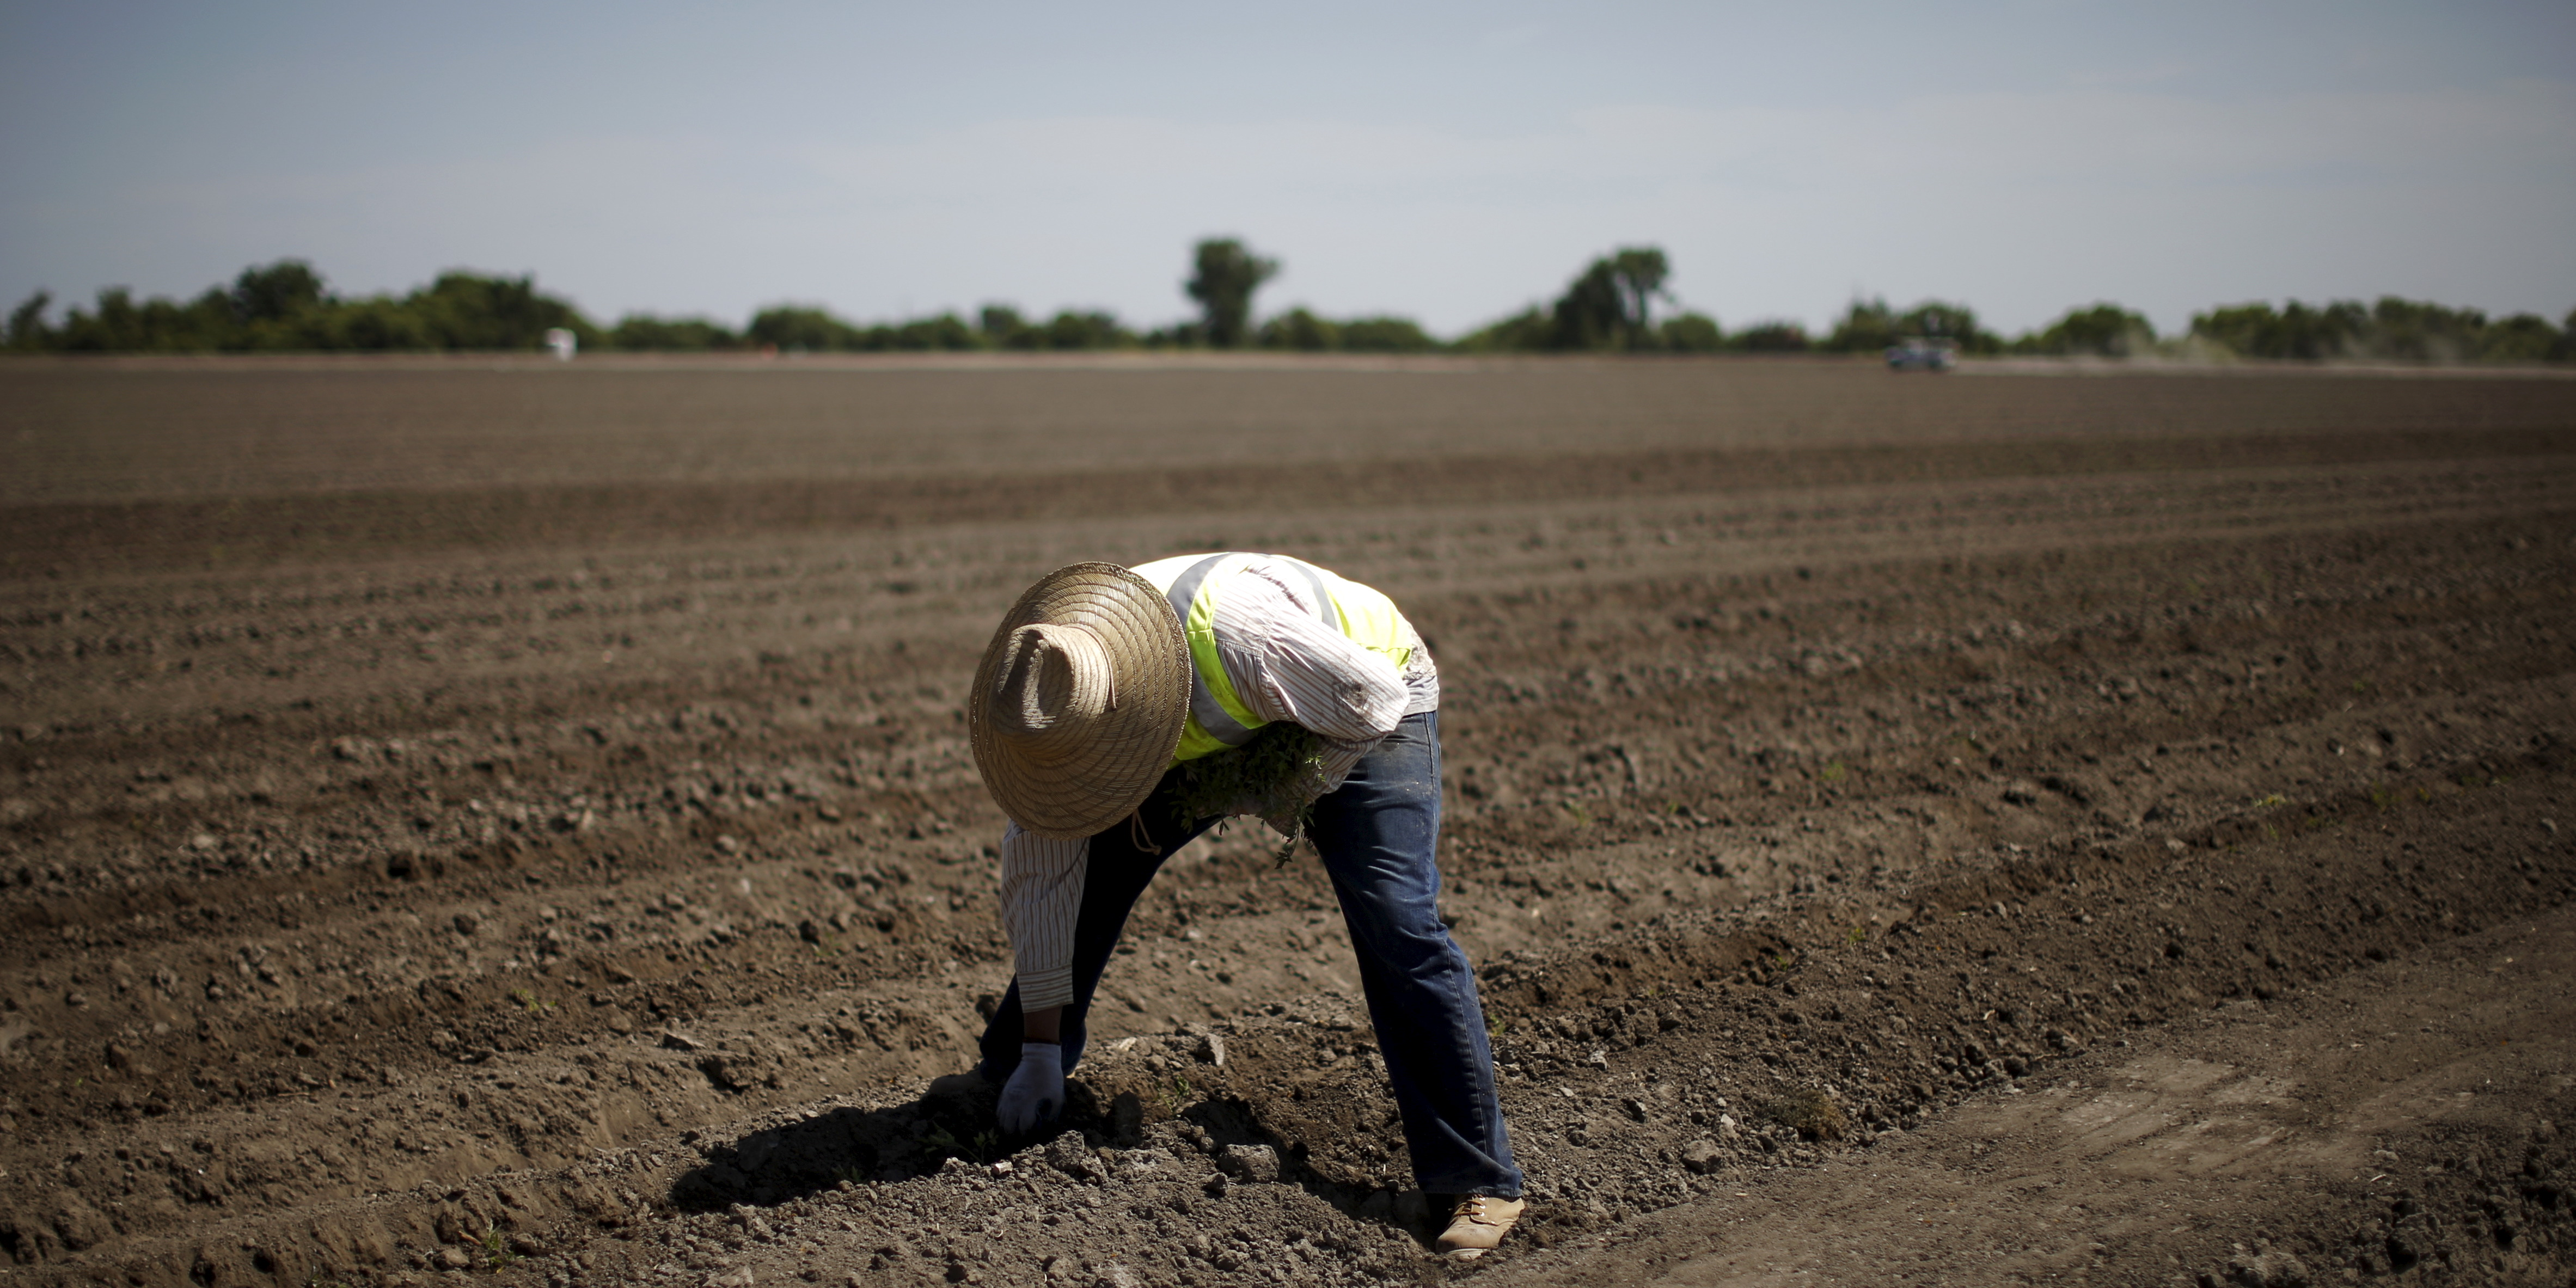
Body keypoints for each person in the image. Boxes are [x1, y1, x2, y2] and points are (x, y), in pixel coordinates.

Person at [962, 554, 1525, 1258]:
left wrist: (1269, 784)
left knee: (1393, 914)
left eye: (1096, 757)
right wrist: (1039, 1050)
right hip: (1230, 716)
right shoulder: (1054, 710)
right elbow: (1046, 888)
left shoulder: (1240, 643)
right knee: (1096, 867)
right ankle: (1011, 1070)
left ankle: (1478, 1177)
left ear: (1123, 712)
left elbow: (1372, 699)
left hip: (1363, 697)